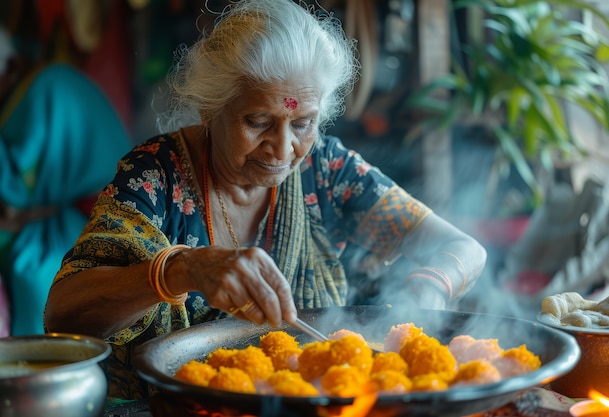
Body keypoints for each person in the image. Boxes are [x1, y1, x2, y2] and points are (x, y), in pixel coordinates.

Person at [44, 0, 487, 400]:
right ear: (211, 109)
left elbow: (465, 250)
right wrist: (180, 269)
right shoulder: (154, 177)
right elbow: (65, 315)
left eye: (303, 123)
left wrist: (428, 285)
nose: (282, 148)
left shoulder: (326, 171)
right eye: (258, 121)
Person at [0, 26, 132, 335]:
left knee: (31, 274)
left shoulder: (40, 89)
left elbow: (16, 191)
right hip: (93, 218)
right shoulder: (51, 80)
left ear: (11, 67)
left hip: (87, 223)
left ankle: (31, 373)